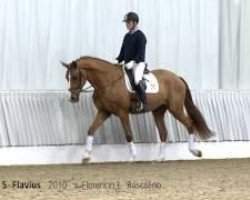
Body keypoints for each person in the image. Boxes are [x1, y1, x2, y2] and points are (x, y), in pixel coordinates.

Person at [116, 12, 148, 111]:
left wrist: (133, 62)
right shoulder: (127, 36)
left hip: (138, 64)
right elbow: (123, 50)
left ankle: (144, 103)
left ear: (135, 22)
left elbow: (140, 53)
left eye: (128, 22)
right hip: (127, 64)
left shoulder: (141, 36)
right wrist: (119, 59)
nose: (126, 24)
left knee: (136, 80)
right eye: (126, 22)